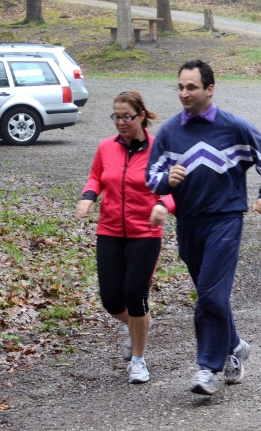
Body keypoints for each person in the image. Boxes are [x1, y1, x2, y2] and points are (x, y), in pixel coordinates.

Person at [146, 59, 261, 396]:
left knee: (209, 293)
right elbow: (151, 177)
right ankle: (234, 346)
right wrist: (167, 180)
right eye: (180, 86)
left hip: (225, 220)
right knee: (213, 297)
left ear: (209, 89)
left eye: (191, 87)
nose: (184, 93)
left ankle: (207, 368)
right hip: (189, 224)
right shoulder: (169, 132)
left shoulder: (233, 127)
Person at [76, 91, 161, 384]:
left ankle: (138, 360)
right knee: (112, 300)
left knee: (135, 295)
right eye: (116, 116)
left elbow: (172, 186)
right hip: (110, 230)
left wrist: (164, 205)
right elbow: (96, 177)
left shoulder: (158, 148)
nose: (121, 122)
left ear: (141, 116)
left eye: (127, 117)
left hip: (145, 232)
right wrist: (88, 197)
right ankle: (141, 324)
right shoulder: (105, 147)